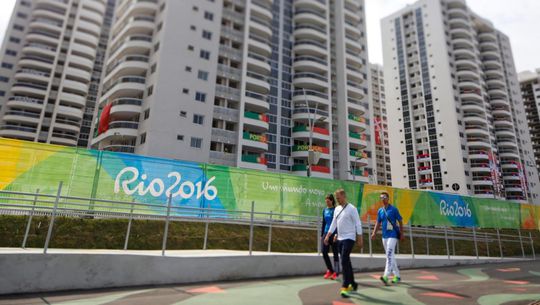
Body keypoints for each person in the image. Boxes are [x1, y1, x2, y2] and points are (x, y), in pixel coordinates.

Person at [324, 189, 363, 298]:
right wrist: (328, 235)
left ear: (344, 196)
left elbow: (358, 224)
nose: (337, 200)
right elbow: (334, 223)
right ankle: (353, 283)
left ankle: (345, 285)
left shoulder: (352, 209)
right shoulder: (337, 209)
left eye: (338, 198)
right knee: (346, 261)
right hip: (340, 238)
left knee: (344, 259)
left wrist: (360, 238)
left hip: (349, 238)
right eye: (336, 198)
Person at [370, 191, 404, 285]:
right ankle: (397, 276)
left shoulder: (394, 209)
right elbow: (378, 223)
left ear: (388, 198)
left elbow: (400, 221)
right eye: (381, 198)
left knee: (389, 254)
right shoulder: (380, 211)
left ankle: (386, 275)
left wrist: (401, 233)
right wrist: (374, 233)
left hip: (392, 235)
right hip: (384, 236)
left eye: (384, 197)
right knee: (390, 256)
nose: (383, 199)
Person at [321, 194, 340, 280]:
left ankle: (336, 272)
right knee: (324, 252)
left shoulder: (335, 210)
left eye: (328, 201)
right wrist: (322, 235)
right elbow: (324, 223)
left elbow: (337, 223)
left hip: (334, 233)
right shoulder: (324, 210)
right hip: (326, 233)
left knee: (335, 253)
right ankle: (330, 270)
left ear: (332, 201)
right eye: (326, 201)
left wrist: (336, 234)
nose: (327, 202)